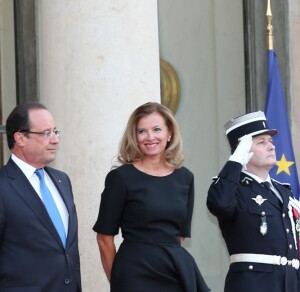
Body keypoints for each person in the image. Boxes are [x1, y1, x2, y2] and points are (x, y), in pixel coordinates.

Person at [93, 102, 210, 292]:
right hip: (134, 274)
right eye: (142, 132)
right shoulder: (121, 178)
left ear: (169, 132)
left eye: (157, 129)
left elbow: (179, 235)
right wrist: (118, 281)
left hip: (175, 272)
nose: (150, 137)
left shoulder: (185, 177)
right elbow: (104, 238)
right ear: (135, 137)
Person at [207, 111, 300, 292]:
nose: (271, 147)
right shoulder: (233, 189)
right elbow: (219, 203)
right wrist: (236, 160)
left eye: (271, 141)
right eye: (261, 142)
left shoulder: (284, 192)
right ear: (243, 149)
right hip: (253, 283)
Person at [0, 102, 82, 291]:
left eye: (55, 132)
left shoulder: (62, 180)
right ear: (20, 138)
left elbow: (67, 251)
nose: (55, 140)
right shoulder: (3, 186)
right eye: (46, 133)